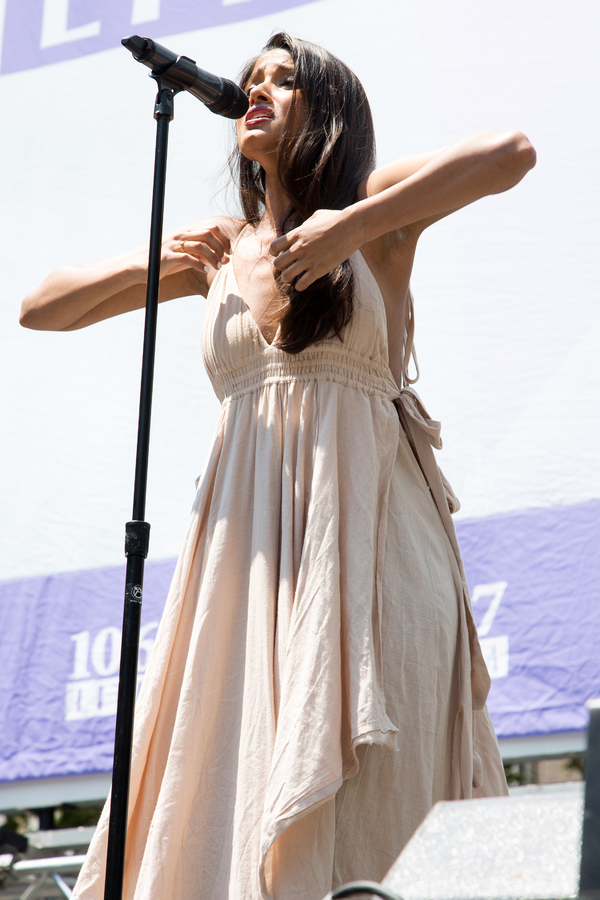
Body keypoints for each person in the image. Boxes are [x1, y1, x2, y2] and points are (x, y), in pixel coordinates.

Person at [21, 31, 536, 900]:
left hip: (370, 539)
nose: (258, 91)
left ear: (327, 108)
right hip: (247, 551)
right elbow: (42, 309)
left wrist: (353, 227)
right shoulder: (223, 250)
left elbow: (510, 154)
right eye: (253, 80)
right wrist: (162, 261)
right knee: (234, 767)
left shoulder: (375, 209)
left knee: (377, 781)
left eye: (285, 80)